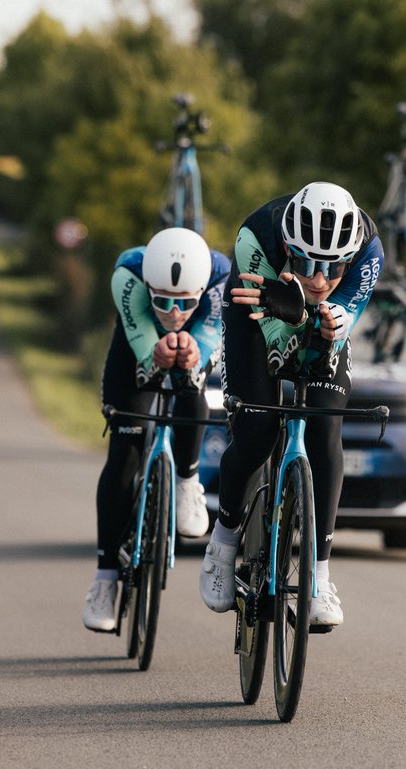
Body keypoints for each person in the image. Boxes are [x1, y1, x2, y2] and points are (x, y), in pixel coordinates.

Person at [199, 181, 382, 627]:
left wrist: (328, 321)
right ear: (286, 247)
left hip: (313, 323)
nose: (319, 280)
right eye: (304, 264)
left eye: (333, 268)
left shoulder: (370, 250)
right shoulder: (254, 238)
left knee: (324, 430)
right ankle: (222, 544)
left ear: (350, 258)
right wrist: (295, 319)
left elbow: (341, 317)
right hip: (254, 315)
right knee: (256, 430)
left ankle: (318, 575)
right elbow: (279, 349)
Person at [83, 226, 231, 632]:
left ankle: (187, 480)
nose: (172, 311)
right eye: (162, 300)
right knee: (124, 451)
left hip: (193, 349)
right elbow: (144, 339)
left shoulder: (221, 278)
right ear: (148, 285)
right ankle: (106, 577)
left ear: (201, 289)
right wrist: (155, 351)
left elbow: (209, 333)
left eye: (184, 302)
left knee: (190, 380)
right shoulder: (127, 275)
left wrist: (191, 351)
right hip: (135, 347)